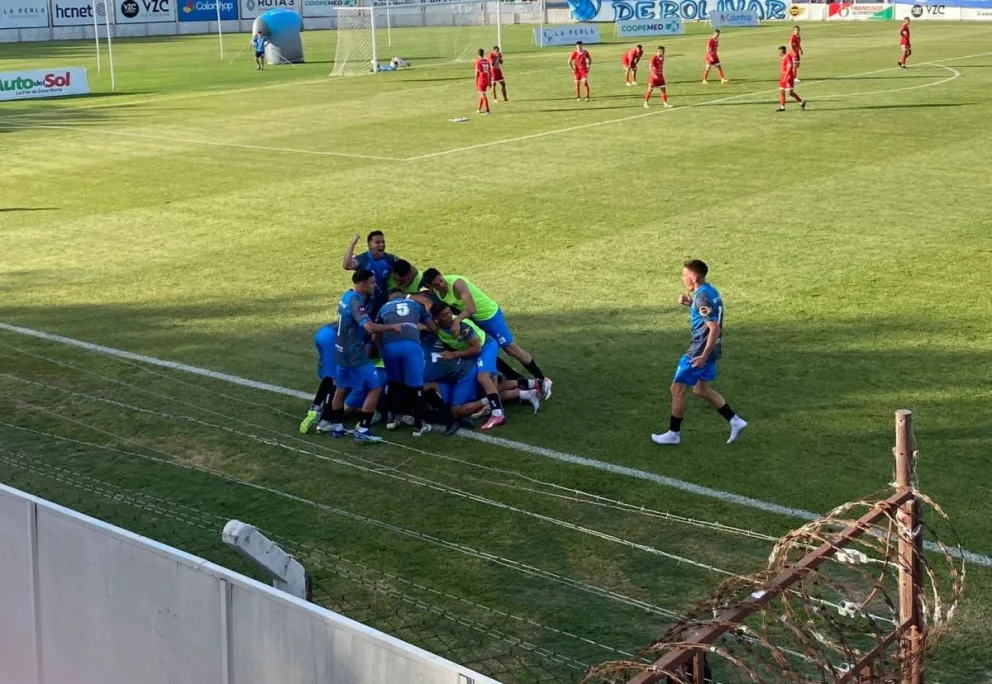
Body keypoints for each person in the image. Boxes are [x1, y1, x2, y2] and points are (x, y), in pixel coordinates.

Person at [651, 260, 746, 446]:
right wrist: (692, 304)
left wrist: (702, 356)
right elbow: (709, 313)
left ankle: (673, 434)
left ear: (694, 277)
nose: (682, 278)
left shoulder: (702, 298)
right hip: (712, 349)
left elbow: (714, 328)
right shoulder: (710, 291)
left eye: (684, 274)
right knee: (701, 389)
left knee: (676, 389)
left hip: (700, 350)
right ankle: (735, 421)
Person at [422, 267, 552, 400]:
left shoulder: (457, 283)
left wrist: (457, 321)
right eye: (436, 285)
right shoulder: (436, 291)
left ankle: (542, 379)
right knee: (484, 349)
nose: (441, 285)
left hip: (489, 316)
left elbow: (471, 308)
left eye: (441, 281)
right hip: (474, 321)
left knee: (511, 349)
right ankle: (515, 377)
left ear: (442, 276)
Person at [326, 270, 404, 443]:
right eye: (371, 282)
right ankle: (363, 429)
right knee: (375, 387)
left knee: (341, 387)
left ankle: (337, 428)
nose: (375, 286)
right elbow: (369, 327)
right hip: (354, 354)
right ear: (361, 284)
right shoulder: (356, 302)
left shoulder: (346, 295)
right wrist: (392, 327)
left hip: (340, 350)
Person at [378, 289, 435, 437]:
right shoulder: (415, 305)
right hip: (411, 346)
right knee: (416, 385)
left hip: (389, 347)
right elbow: (433, 327)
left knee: (394, 381)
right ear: (404, 296)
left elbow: (375, 332)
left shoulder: (384, 308)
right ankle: (418, 425)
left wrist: (379, 349)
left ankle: (391, 419)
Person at [343, 231, 396, 318]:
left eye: (383, 242)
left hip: (384, 303)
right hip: (366, 304)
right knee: (367, 326)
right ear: (369, 245)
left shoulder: (390, 259)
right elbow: (347, 265)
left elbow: (405, 268)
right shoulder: (363, 259)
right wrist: (353, 243)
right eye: (377, 242)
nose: (381, 245)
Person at [777, 45, 806, 113]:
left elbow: (789, 68)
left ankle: (802, 101)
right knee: (782, 91)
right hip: (783, 77)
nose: (779, 53)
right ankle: (782, 107)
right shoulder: (783, 57)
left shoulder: (788, 57)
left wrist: (786, 77)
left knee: (790, 93)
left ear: (782, 51)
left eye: (779, 51)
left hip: (788, 77)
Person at [475, 48, 492, 115]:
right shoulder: (487, 61)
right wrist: (490, 81)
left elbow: (477, 73)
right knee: (481, 95)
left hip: (481, 80)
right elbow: (490, 72)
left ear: (478, 54)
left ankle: (487, 110)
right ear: (483, 53)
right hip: (486, 79)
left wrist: (476, 82)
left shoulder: (478, 62)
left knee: (483, 95)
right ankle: (479, 109)